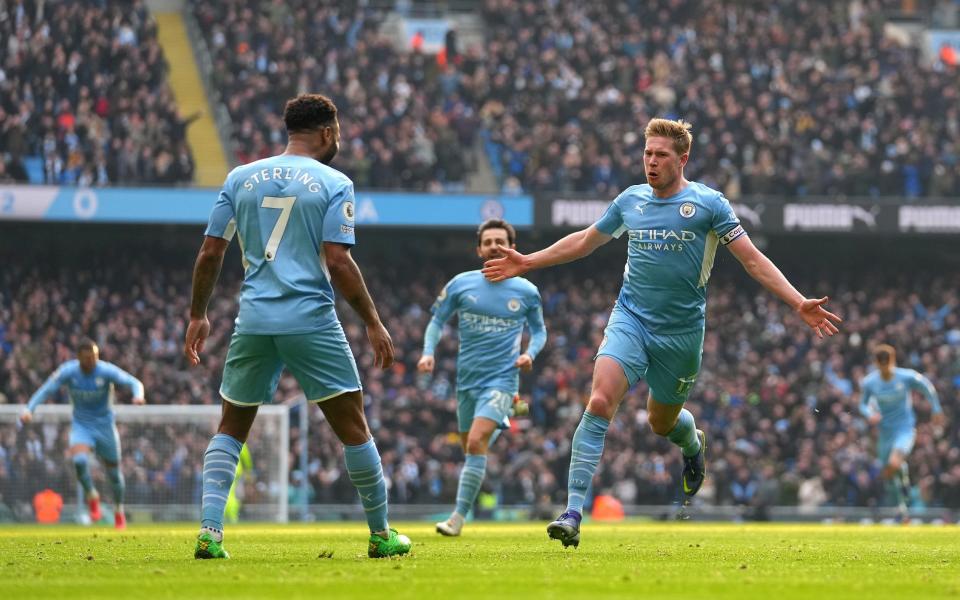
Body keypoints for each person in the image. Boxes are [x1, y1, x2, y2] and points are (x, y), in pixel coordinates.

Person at [483, 118, 842, 548]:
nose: (651, 162)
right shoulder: (630, 200)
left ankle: (692, 445)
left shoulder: (709, 204)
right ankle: (573, 512)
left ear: (682, 160)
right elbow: (585, 241)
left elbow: (752, 259)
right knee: (599, 400)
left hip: (682, 333)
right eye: (647, 153)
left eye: (661, 155)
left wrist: (796, 301)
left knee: (661, 422)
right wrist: (528, 262)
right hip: (630, 318)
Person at [184, 93, 411, 559]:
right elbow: (339, 260)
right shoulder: (334, 181)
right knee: (353, 427)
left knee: (231, 426)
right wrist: (372, 321)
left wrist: (198, 314)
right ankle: (381, 535)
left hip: (254, 319)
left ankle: (210, 532)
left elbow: (210, 252)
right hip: (310, 318)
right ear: (327, 132)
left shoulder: (240, 177)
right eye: (339, 133)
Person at [417, 219, 547, 536]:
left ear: (511, 248)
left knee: (476, 441)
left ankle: (457, 519)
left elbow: (540, 331)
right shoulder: (461, 284)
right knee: (472, 449)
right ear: (479, 249)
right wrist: (428, 351)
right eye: (487, 241)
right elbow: (437, 321)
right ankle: (504, 417)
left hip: (502, 379)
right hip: (467, 383)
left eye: (499, 241)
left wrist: (530, 354)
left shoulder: (527, 290)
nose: (493, 246)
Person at [20, 339, 145, 529]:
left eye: (95, 356)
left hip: (105, 426)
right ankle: (92, 495)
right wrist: (29, 409)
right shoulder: (69, 371)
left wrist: (138, 395)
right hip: (82, 425)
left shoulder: (106, 370)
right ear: (79, 358)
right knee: (79, 461)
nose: (92, 361)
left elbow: (134, 382)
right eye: (88, 357)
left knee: (114, 475)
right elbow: (46, 390)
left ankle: (119, 509)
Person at [858, 344, 944, 520]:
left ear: (893, 361)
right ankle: (902, 509)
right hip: (885, 433)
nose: (885, 368)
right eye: (881, 365)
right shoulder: (870, 382)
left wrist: (936, 408)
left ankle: (902, 495)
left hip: (905, 429)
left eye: (887, 364)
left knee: (894, 462)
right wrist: (870, 414)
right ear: (876, 363)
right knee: (888, 473)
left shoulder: (905, 377)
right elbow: (863, 404)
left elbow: (927, 386)